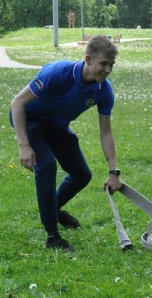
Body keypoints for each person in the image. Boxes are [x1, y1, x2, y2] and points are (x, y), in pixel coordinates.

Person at [9, 35, 123, 251]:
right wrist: (24, 145)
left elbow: (106, 132)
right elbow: (17, 103)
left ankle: (54, 208)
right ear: (88, 59)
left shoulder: (103, 91)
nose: (108, 70)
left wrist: (113, 172)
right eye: (103, 64)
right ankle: (52, 236)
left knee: (82, 174)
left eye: (112, 65)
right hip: (31, 120)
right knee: (47, 165)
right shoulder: (57, 72)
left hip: (56, 127)